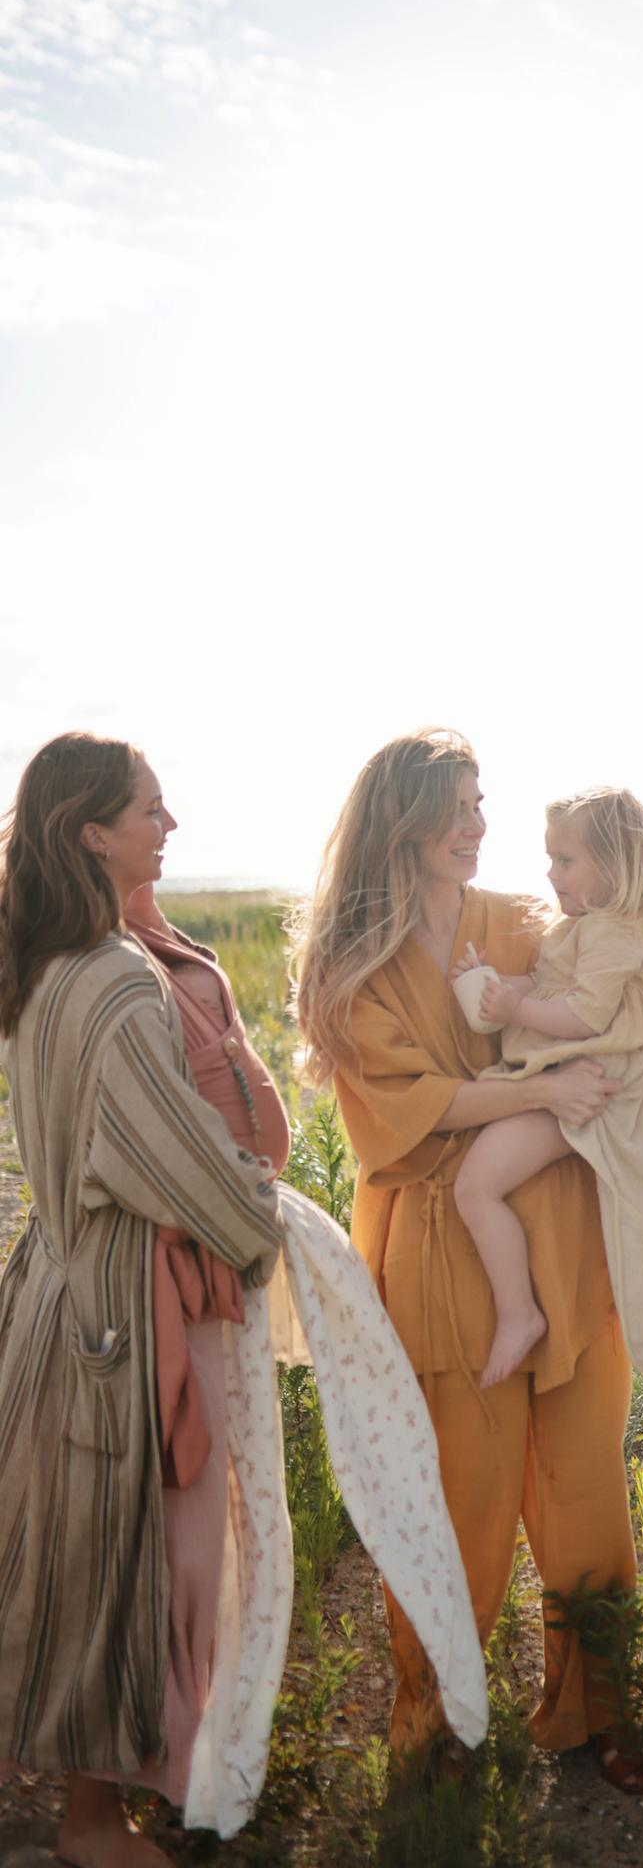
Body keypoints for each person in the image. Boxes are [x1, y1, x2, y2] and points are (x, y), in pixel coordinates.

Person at [293, 731, 643, 1792]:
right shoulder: (351, 963)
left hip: (563, 1226)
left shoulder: (519, 919)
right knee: (461, 1493)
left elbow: (610, 993)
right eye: (456, 804)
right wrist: (543, 1090)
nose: (477, 822)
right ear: (398, 820)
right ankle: (438, 1721)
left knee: (588, 1481)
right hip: (438, 1245)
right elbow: (422, 1108)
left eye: (479, 800)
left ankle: (602, 1709)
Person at [0, 734, 282, 1868]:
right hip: (118, 1308)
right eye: (150, 812)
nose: (168, 829)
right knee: (122, 1561)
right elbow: (171, 1156)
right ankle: (90, 1822)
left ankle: (102, 1806)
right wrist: (259, 1220)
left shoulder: (43, 965)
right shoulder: (114, 976)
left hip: (54, 1288)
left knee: (55, 1549)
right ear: (91, 833)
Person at [453, 785, 643, 1389]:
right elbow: (553, 984)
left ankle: (518, 1313)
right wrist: (499, 984)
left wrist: (514, 1006)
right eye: (551, 858)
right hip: (582, 1077)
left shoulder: (610, 933)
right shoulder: (589, 926)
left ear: (614, 865)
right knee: (478, 1183)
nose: (551, 872)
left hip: (598, 1088)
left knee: (477, 1185)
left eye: (565, 860)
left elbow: (584, 1016)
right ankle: (520, 1312)